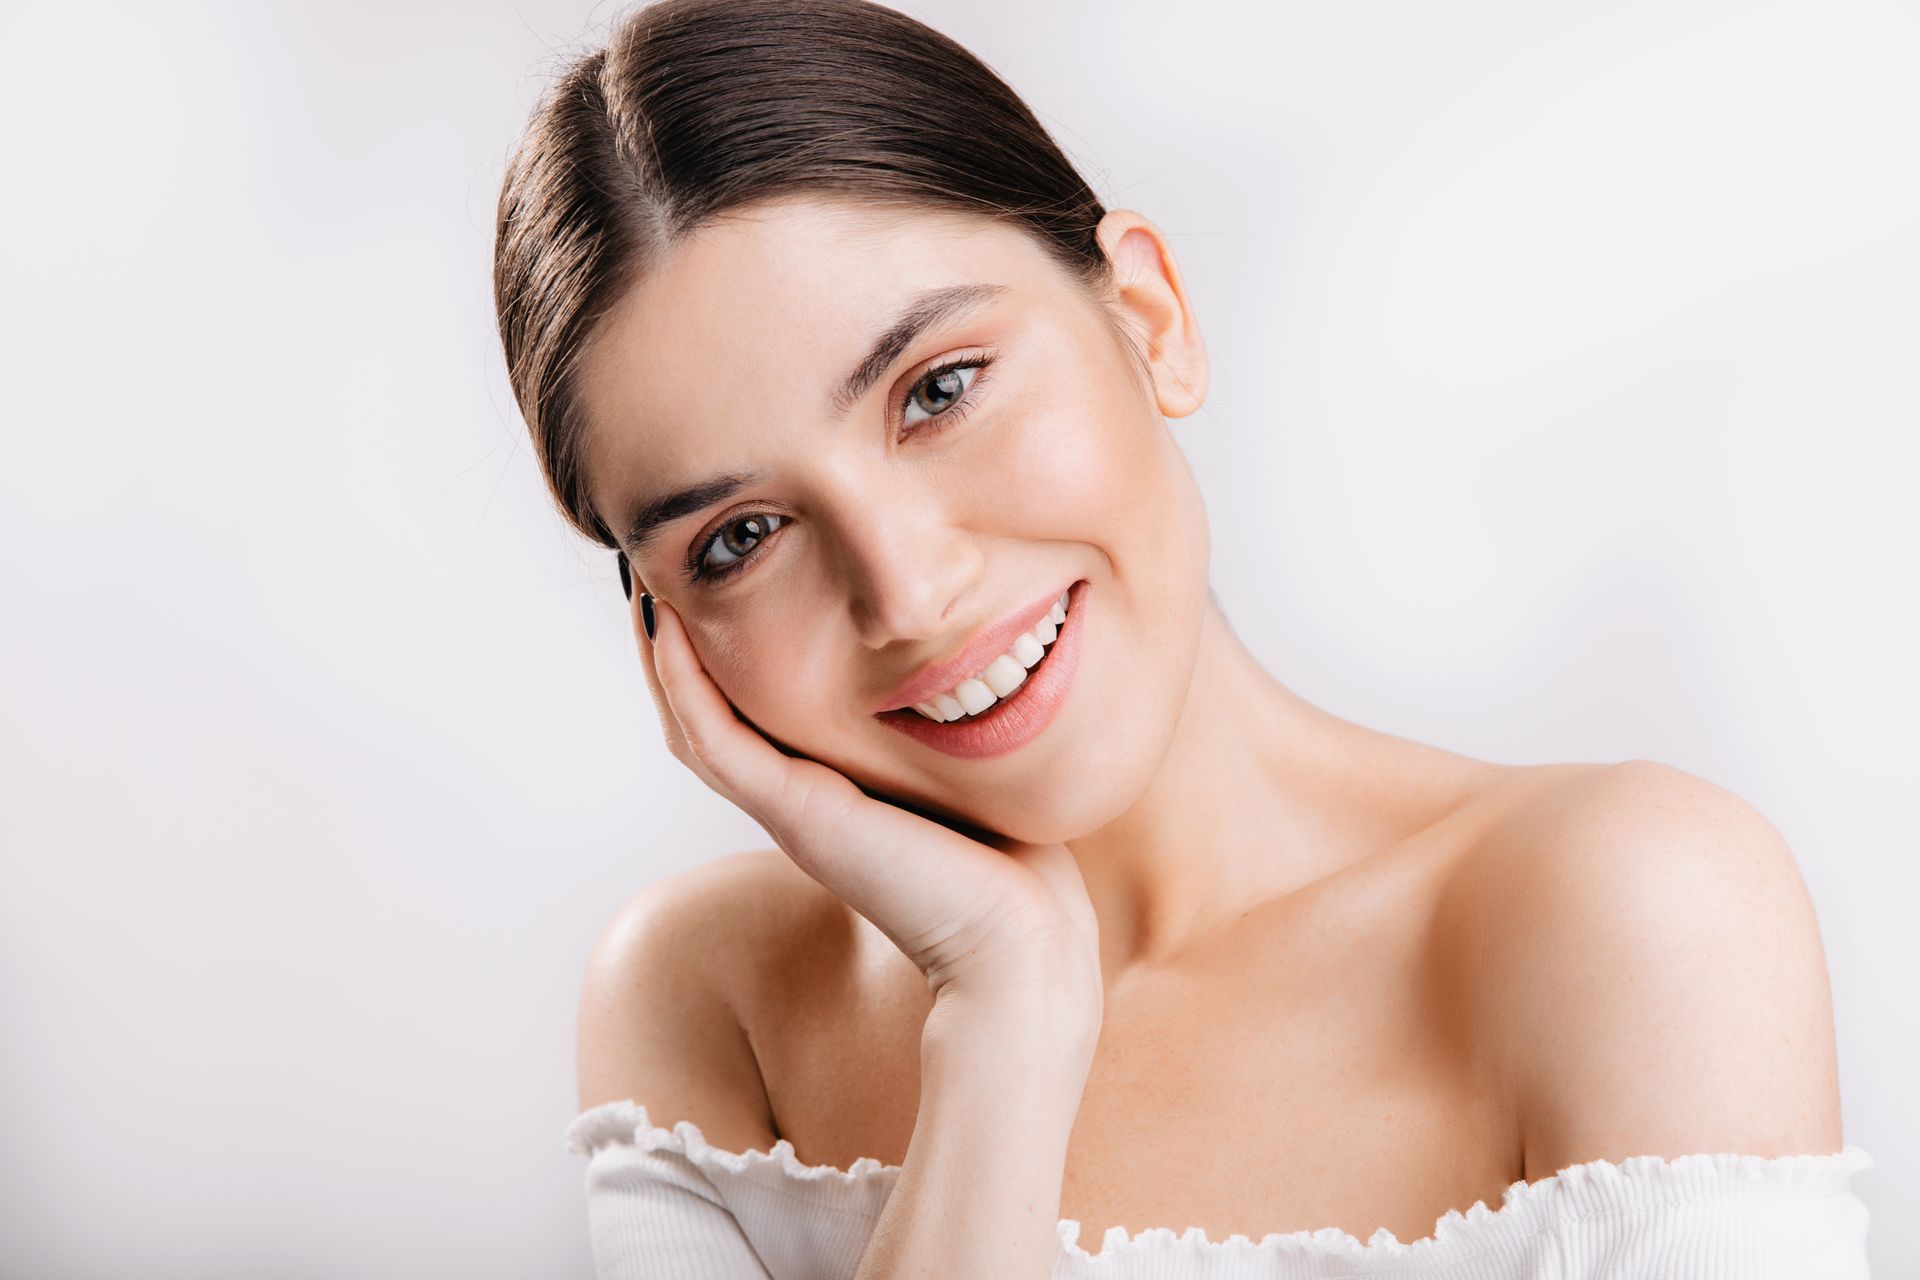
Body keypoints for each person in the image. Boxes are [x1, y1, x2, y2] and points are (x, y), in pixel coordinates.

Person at [491, 1, 1875, 1274]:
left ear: (1149, 317)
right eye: (740, 538)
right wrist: (1004, 1018)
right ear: (667, 632)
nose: (907, 593)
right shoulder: (708, 1000)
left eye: (941, 388)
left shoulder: (1623, 912)